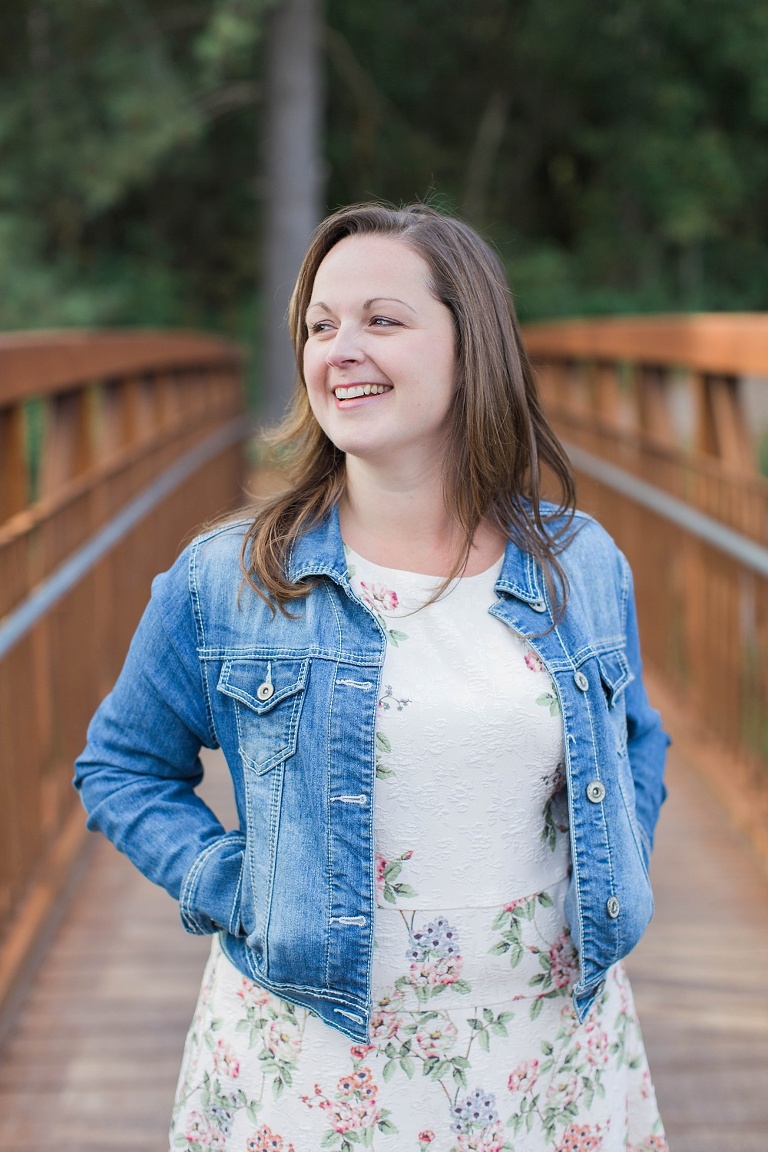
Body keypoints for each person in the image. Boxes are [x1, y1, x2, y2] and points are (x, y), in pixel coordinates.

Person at [75, 203, 670, 1152]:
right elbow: (119, 767)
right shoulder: (230, 578)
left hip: (547, 1054)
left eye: (381, 320)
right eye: (320, 325)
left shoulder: (581, 563)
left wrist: (619, 861)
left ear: (472, 347)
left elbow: (637, 735)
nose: (339, 349)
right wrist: (236, 885)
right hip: (312, 1065)